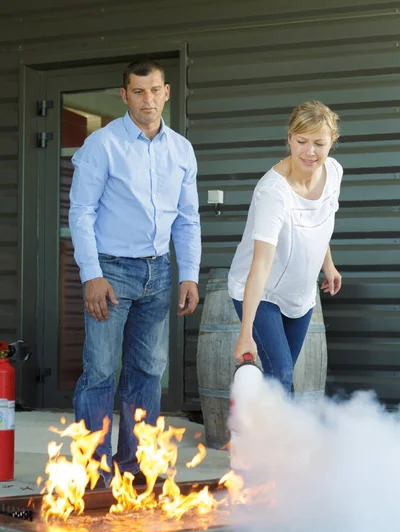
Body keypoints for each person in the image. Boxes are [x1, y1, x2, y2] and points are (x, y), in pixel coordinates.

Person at [69, 59, 201, 485]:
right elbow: (81, 213)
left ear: (166, 92)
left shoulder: (181, 149)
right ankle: (94, 473)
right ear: (124, 95)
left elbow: (188, 219)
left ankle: (135, 470)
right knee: (101, 370)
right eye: (138, 92)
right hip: (110, 271)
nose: (148, 100)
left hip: (158, 272)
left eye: (155, 90)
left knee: (148, 371)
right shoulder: (101, 145)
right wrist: (91, 274)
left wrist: (189, 275)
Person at [228, 100, 342, 392]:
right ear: (289, 138)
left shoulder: (334, 173)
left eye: (319, 143)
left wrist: (327, 263)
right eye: (302, 141)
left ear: (332, 142)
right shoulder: (273, 192)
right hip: (261, 292)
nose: (310, 151)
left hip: (300, 294)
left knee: (282, 378)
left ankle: (255, 435)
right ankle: (274, 438)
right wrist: (245, 333)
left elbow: (322, 219)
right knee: (280, 375)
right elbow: (261, 263)